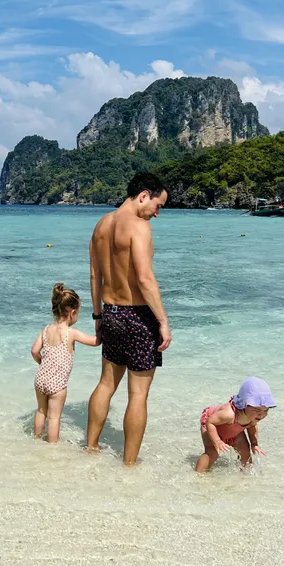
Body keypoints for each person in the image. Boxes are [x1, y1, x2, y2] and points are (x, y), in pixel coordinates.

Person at [86, 172, 170, 465]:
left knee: (106, 384)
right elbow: (145, 279)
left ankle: (91, 447)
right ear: (144, 195)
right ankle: (129, 464)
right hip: (137, 316)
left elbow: (95, 275)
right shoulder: (139, 227)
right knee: (138, 394)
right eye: (158, 206)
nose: (156, 214)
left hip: (110, 312)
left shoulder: (100, 226)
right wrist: (162, 321)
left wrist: (97, 314)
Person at [30, 283, 100, 443]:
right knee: (54, 418)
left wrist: (42, 363)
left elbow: (34, 351)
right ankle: (51, 449)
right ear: (73, 312)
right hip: (57, 385)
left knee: (41, 411)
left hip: (40, 379)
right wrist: (102, 326)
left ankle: (36, 441)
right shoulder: (71, 333)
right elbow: (96, 341)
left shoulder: (46, 330)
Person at [196, 377, 276, 473]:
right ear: (244, 404)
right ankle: (198, 476)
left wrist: (254, 444)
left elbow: (252, 427)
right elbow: (210, 422)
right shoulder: (229, 414)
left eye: (266, 410)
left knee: (245, 451)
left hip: (234, 430)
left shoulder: (254, 417)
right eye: (257, 410)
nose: (261, 414)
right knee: (212, 452)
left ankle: (246, 474)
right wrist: (217, 441)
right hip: (213, 427)